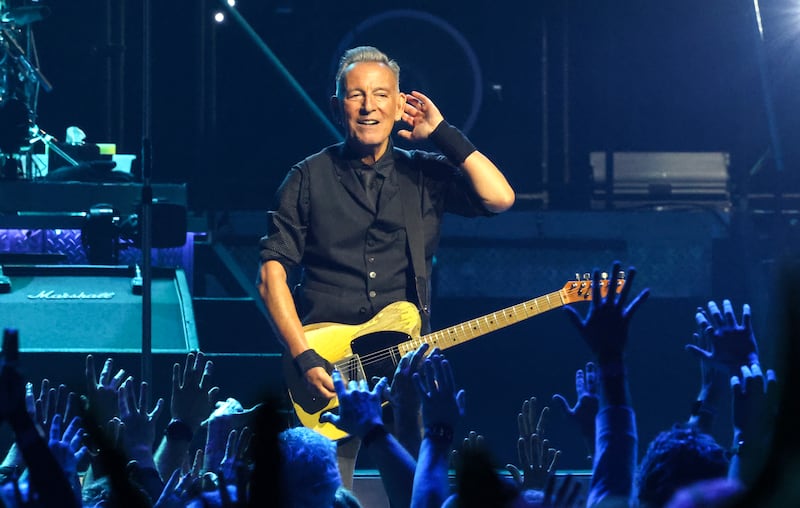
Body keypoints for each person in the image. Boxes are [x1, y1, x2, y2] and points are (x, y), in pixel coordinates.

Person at [258, 45, 515, 483]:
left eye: (381, 95)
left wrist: (442, 133)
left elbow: (500, 197)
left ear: (400, 105)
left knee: (411, 490)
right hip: (328, 365)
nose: (368, 106)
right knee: (325, 491)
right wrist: (304, 356)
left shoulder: (425, 175)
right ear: (338, 108)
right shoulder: (307, 177)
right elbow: (271, 275)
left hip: (403, 372)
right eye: (356, 95)